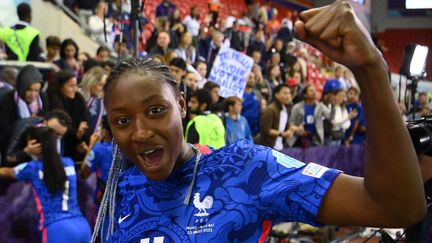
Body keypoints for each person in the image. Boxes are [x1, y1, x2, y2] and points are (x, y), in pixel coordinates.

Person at [92, 1, 426, 242]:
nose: (139, 132)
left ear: (181, 105)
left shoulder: (247, 169)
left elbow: (396, 207)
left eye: (155, 111)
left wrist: (371, 69)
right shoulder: (121, 188)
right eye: (122, 120)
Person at [0, 126, 92, 243]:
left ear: (35, 145)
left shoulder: (32, 168)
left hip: (57, 228)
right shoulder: (69, 162)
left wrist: (25, 152)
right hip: (82, 226)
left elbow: (7, 172)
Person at [0, 65, 48, 164]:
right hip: (13, 149)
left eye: (36, 90)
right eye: (29, 90)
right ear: (22, 86)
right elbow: (4, 131)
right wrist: (27, 122)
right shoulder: (7, 100)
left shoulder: (42, 98)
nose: (33, 95)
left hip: (36, 148)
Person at [6, 109, 72, 166]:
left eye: (58, 134)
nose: (53, 136)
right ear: (44, 123)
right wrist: (26, 152)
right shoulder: (26, 128)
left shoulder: (60, 137)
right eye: (51, 131)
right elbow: (8, 158)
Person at [80, 115, 113, 223]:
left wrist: (91, 146)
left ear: (105, 131)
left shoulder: (99, 149)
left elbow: (84, 173)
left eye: (100, 126)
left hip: (104, 202)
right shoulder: (127, 147)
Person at [256, 84, 297, 150]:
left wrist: (292, 129)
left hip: (280, 147)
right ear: (276, 95)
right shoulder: (270, 110)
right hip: (268, 148)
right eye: (285, 93)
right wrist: (283, 134)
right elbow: (265, 130)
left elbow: (284, 127)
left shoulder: (286, 109)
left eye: (289, 93)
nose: (288, 96)